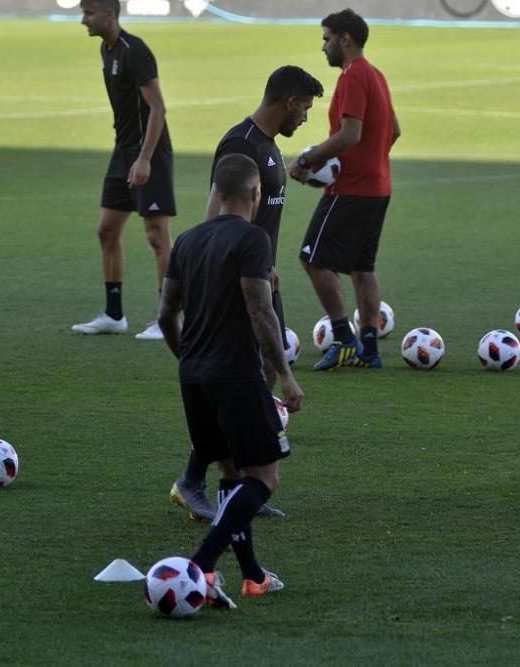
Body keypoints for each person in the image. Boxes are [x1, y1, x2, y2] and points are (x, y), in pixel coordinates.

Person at [169, 65, 323, 522]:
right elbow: (214, 218)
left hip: (260, 273)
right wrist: (240, 273)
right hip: (241, 281)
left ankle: (233, 489)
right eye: (307, 109)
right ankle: (196, 482)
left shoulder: (270, 148)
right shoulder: (241, 144)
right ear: (290, 102)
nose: (307, 119)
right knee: (238, 384)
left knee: (263, 376)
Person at [157, 153, 303, 603]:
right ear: (256, 194)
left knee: (230, 473)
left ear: (217, 194)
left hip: (193, 376)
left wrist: (191, 359)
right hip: (236, 376)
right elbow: (259, 310)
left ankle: (253, 576)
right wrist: (286, 375)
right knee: (264, 479)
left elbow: (166, 316)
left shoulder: (186, 240)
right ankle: (199, 567)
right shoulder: (253, 239)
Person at [287, 8, 400, 371]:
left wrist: (308, 160)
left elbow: (350, 135)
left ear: (344, 39)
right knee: (362, 267)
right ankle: (370, 349)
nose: (323, 47)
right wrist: (369, 162)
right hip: (379, 186)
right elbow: (393, 131)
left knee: (313, 258)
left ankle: (344, 338)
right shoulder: (376, 75)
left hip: (351, 191)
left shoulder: (353, 77)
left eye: (326, 38)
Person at [72, 0, 175, 340]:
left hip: (150, 152)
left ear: (109, 14)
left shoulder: (136, 51)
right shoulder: (107, 49)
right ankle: (114, 315)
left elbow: (158, 107)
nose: (83, 19)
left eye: (88, 13)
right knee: (106, 229)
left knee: (157, 236)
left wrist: (145, 158)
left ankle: (166, 320)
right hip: (123, 152)